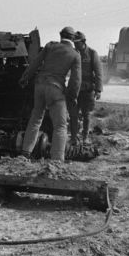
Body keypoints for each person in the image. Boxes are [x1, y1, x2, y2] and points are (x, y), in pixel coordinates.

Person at [19, 26, 81, 162]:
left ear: (60, 36)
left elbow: (35, 63)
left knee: (35, 119)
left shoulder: (50, 46)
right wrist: (72, 97)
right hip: (56, 89)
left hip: (39, 86)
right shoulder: (75, 55)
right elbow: (75, 80)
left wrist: (24, 78)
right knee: (60, 125)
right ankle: (57, 161)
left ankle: (25, 153)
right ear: (74, 39)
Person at [70, 31, 103, 144]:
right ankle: (73, 137)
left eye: (77, 43)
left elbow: (98, 73)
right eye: (74, 43)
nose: (75, 45)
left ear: (83, 42)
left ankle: (85, 137)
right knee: (73, 115)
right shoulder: (73, 53)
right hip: (75, 90)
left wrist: (98, 90)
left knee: (86, 114)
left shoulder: (92, 53)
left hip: (87, 90)